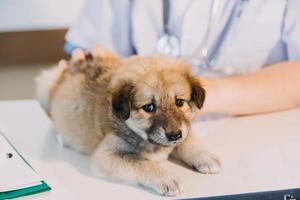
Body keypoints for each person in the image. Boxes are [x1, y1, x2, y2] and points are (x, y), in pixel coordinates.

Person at [64, 0, 300, 116]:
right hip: (147, 141)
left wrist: (195, 95)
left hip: (261, 138)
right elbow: (91, 52)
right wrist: (108, 70)